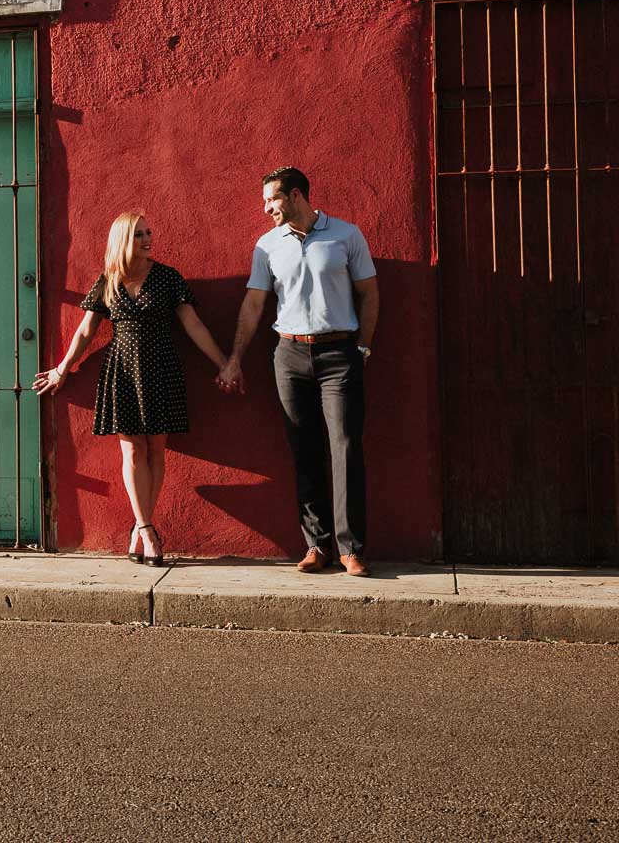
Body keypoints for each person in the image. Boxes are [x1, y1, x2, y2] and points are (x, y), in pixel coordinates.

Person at [34, 211, 230, 566]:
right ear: (123, 239)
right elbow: (84, 331)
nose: (147, 238)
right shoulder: (109, 280)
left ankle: (140, 528)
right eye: (139, 234)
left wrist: (224, 363)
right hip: (122, 371)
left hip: (161, 368)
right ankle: (148, 530)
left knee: (156, 451)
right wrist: (63, 369)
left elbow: (194, 326)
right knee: (132, 452)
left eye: (148, 232)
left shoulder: (169, 278)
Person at [218, 166, 379, 577]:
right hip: (289, 355)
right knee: (302, 449)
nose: (267, 208)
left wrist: (362, 346)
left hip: (339, 354)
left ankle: (351, 549)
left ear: (295, 195)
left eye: (272, 199)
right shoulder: (268, 246)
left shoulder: (346, 235)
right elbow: (254, 305)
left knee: (344, 446)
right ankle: (316, 545)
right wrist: (235, 358)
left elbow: (369, 293)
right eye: (266, 201)